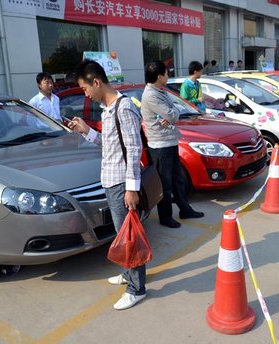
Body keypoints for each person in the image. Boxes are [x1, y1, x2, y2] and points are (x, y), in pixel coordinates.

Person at [67, 60, 146, 311]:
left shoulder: (124, 108)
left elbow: (134, 149)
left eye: (84, 88)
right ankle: (128, 273)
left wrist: (132, 188)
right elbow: (109, 145)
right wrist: (85, 130)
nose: (85, 93)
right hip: (111, 180)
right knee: (122, 234)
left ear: (96, 82)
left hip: (123, 183)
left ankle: (137, 288)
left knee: (129, 236)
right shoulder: (108, 109)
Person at [141, 61, 204, 228]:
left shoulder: (160, 91)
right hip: (160, 144)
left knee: (177, 180)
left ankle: (185, 209)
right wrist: (171, 114)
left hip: (169, 140)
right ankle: (165, 216)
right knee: (165, 183)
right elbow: (173, 115)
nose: (168, 76)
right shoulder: (151, 95)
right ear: (159, 76)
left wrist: (171, 114)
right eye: (167, 73)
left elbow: (173, 111)